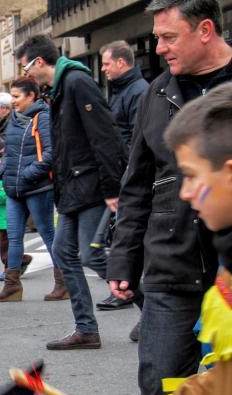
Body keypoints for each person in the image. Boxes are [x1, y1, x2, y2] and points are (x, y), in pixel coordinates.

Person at [106, 0, 231, 395]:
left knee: (220, 377)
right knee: (160, 375)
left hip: (224, 263)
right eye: (155, 38)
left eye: (168, 37)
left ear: (206, 30)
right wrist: (123, 254)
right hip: (171, 254)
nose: (157, 49)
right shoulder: (157, 93)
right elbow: (138, 179)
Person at [17, 35, 126, 350]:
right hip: (73, 187)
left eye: (26, 68)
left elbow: (104, 136)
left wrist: (111, 188)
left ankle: (150, 307)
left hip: (90, 186)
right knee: (65, 252)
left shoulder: (77, 82)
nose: (27, 76)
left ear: (39, 62)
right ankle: (86, 329)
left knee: (89, 253)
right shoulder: (60, 89)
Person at [0, 77, 64, 303]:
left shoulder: (43, 117)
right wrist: (2, 172)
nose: (13, 101)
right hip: (14, 188)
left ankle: (63, 282)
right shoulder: (14, 118)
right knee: (13, 238)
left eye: (16, 96)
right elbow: (9, 151)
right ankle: (12, 286)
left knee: (47, 234)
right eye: (11, 96)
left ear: (31, 96)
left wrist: (26, 175)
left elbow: (51, 155)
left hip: (37, 188)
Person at [95, 40, 151, 314]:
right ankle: (137, 300)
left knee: (129, 243)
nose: (103, 69)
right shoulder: (120, 91)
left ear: (121, 62)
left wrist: (128, 175)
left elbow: (137, 139)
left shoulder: (137, 92)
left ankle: (141, 304)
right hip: (122, 176)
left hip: (131, 177)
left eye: (106, 63)